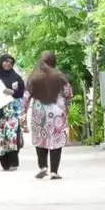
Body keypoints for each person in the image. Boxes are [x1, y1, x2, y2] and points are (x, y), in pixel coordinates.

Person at [22, 51, 72, 180]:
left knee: (40, 138)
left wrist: (24, 112)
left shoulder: (34, 76)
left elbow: (26, 96)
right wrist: (66, 105)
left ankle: (43, 166)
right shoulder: (59, 75)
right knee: (56, 139)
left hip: (40, 110)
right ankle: (54, 171)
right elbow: (68, 93)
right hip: (56, 110)